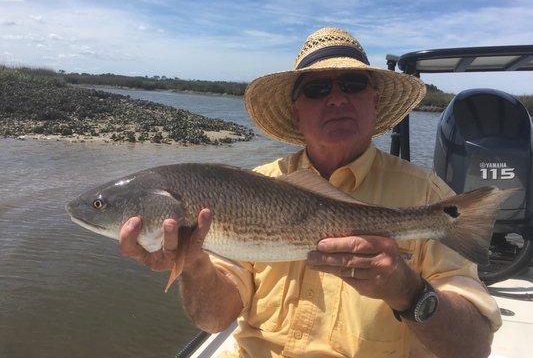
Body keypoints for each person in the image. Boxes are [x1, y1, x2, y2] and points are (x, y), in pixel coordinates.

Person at [119, 28, 501, 358]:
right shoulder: (250, 189)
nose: (337, 99)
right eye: (317, 89)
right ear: (297, 112)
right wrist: (194, 264)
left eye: (352, 85)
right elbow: (214, 318)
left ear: (375, 101)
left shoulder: (428, 198)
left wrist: (409, 291)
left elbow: (472, 347)